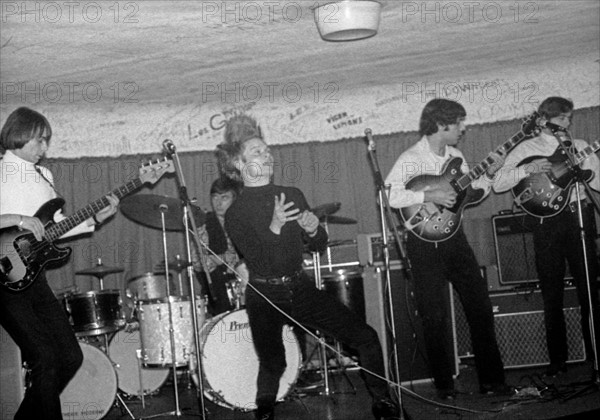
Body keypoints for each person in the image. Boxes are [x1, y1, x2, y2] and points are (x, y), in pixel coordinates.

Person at [216, 114, 398, 420]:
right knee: (274, 363)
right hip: (264, 294)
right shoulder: (236, 214)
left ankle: (384, 402)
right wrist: (275, 226)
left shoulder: (292, 194)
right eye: (257, 152)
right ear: (237, 164)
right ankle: (263, 411)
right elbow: (261, 261)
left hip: (298, 287)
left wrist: (314, 230)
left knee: (365, 337)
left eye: (267, 149)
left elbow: (317, 246)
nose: (267, 155)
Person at [384, 98, 509, 400]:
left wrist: (490, 174)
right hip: (423, 244)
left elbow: (469, 195)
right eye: (459, 124)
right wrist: (429, 191)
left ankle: (492, 381)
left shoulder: (456, 156)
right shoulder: (410, 158)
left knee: (480, 307)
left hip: (456, 241)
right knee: (433, 316)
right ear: (442, 125)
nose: (463, 129)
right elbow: (388, 195)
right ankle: (444, 386)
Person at [0, 107, 119, 420]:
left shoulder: (44, 175)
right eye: (40, 141)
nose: (45, 148)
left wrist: (94, 217)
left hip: (33, 279)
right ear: (19, 135)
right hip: (3, 280)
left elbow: (57, 225)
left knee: (69, 356)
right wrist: (18, 219)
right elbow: (22, 223)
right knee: (45, 359)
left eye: (46, 141)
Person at [493, 96, 600, 376]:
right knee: (551, 292)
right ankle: (557, 363)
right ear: (546, 121)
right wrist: (527, 168)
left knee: (590, 290)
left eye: (569, 118)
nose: (568, 123)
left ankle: (596, 356)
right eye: (562, 118)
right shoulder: (527, 148)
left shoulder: (578, 147)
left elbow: (599, 181)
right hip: (546, 223)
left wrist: (588, 174)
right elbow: (499, 182)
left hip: (579, 214)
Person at [192, 176, 247, 315]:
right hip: (217, 292)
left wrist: (222, 259)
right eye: (215, 197)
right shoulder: (203, 224)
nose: (218, 203)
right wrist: (225, 259)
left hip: (247, 289)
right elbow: (198, 262)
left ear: (234, 199)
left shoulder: (245, 223)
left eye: (224, 198)